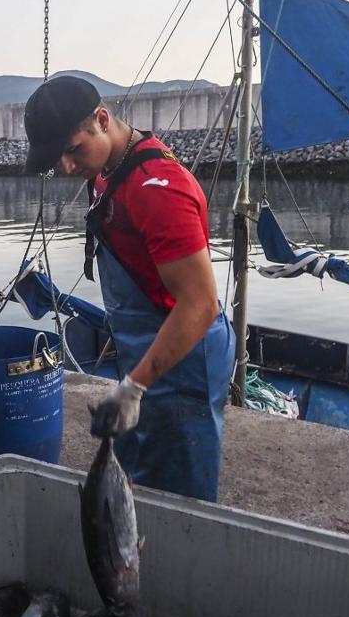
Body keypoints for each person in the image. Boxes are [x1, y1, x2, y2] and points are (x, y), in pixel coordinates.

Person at [23, 76, 234, 502]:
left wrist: (134, 386)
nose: (66, 166)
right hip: (147, 348)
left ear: (103, 120)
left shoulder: (160, 190)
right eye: (56, 157)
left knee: (180, 500)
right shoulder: (108, 171)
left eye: (72, 149)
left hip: (186, 359)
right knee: (141, 484)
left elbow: (199, 304)